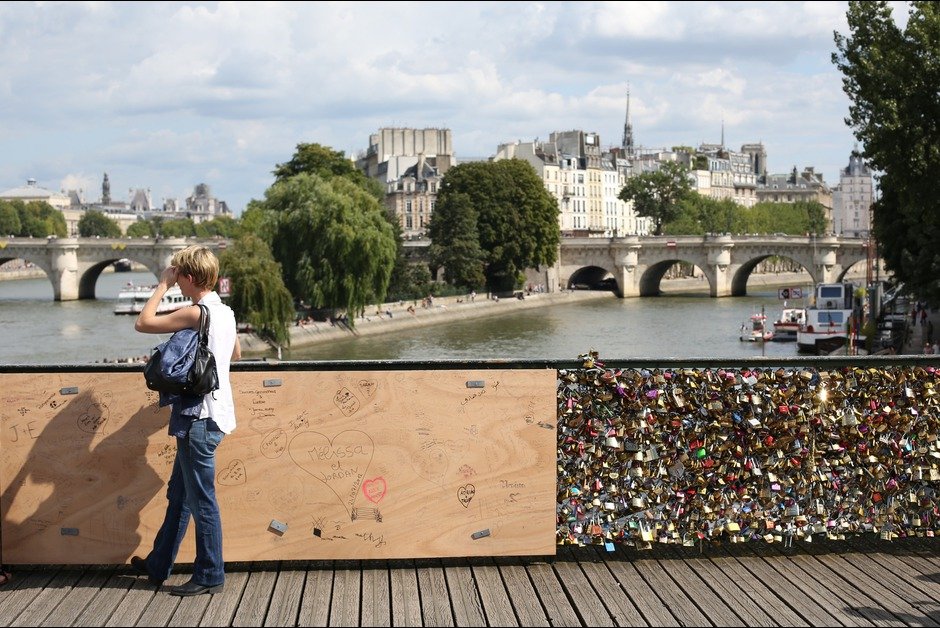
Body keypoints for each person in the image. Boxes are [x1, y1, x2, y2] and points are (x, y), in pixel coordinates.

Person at [131, 245, 240, 597]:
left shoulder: (196, 313)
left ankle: (210, 574)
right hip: (218, 415)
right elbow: (235, 353)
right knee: (180, 494)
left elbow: (143, 322)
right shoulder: (225, 312)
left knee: (202, 500)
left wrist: (161, 285)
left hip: (198, 419)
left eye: (178, 275)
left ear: (188, 278)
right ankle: (159, 563)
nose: (176, 280)